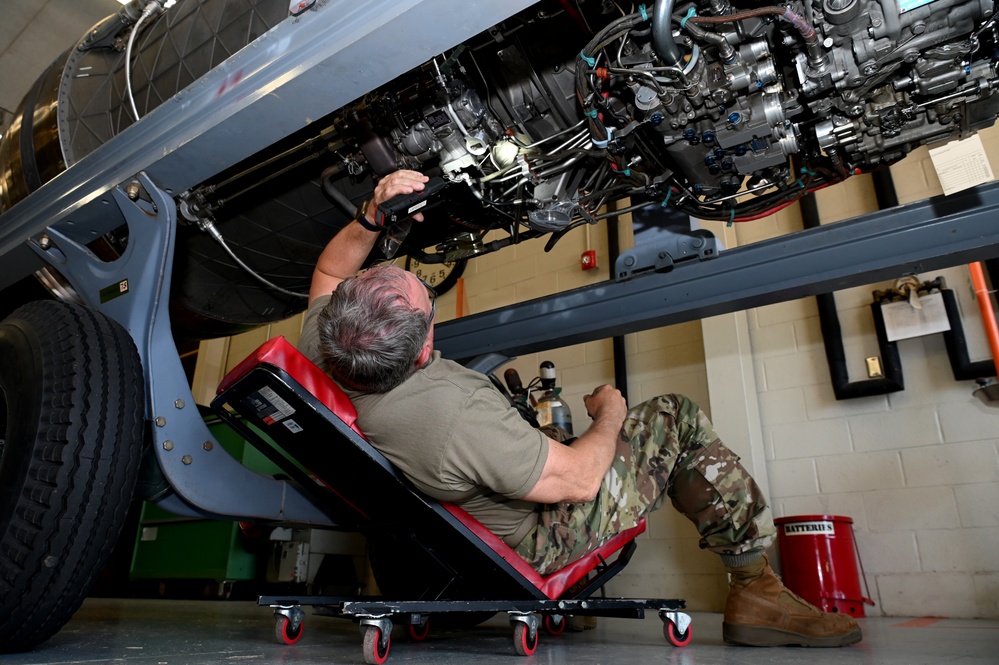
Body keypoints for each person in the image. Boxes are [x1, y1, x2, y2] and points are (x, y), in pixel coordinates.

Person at [298, 169, 862, 648]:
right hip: (530, 541)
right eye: (427, 299)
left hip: (427, 548)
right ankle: (756, 590)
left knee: (552, 444)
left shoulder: (326, 345)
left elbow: (327, 273)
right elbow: (582, 483)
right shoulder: (453, 409)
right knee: (675, 416)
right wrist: (609, 415)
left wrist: (370, 216)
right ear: (423, 347)